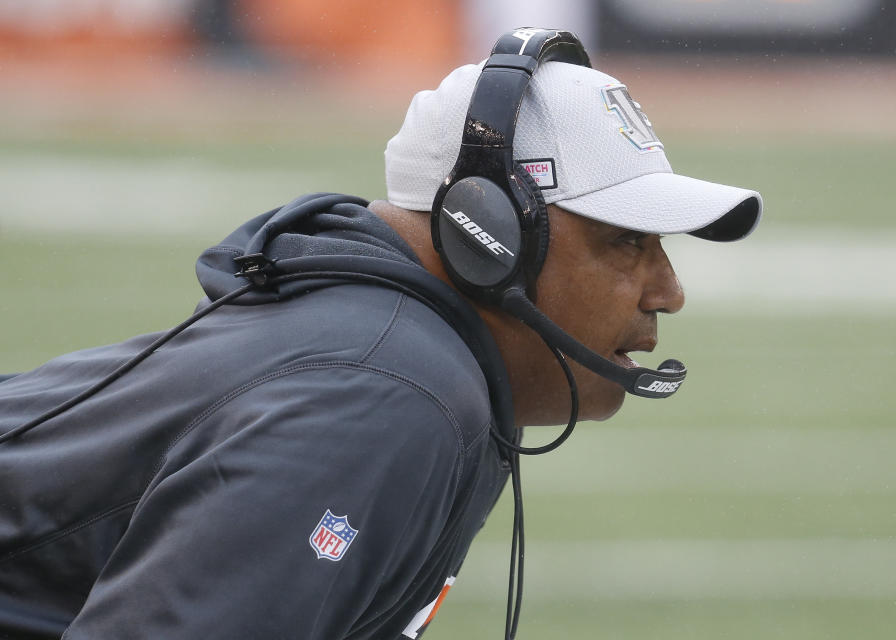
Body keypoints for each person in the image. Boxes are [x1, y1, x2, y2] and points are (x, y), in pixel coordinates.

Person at [0, 29, 760, 640]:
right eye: (629, 242)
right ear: (490, 232)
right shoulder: (383, 395)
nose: (670, 290)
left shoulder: (407, 361)